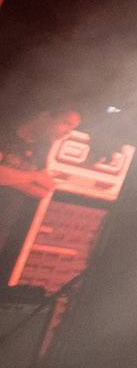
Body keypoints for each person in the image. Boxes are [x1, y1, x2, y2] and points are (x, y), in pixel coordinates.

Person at [0, 107, 81, 284]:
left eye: (72, 128)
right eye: (65, 123)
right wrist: (32, 176)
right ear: (45, 115)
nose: (67, 131)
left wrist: (10, 177)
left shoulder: (42, 148)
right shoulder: (5, 134)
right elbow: (36, 179)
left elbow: (43, 189)